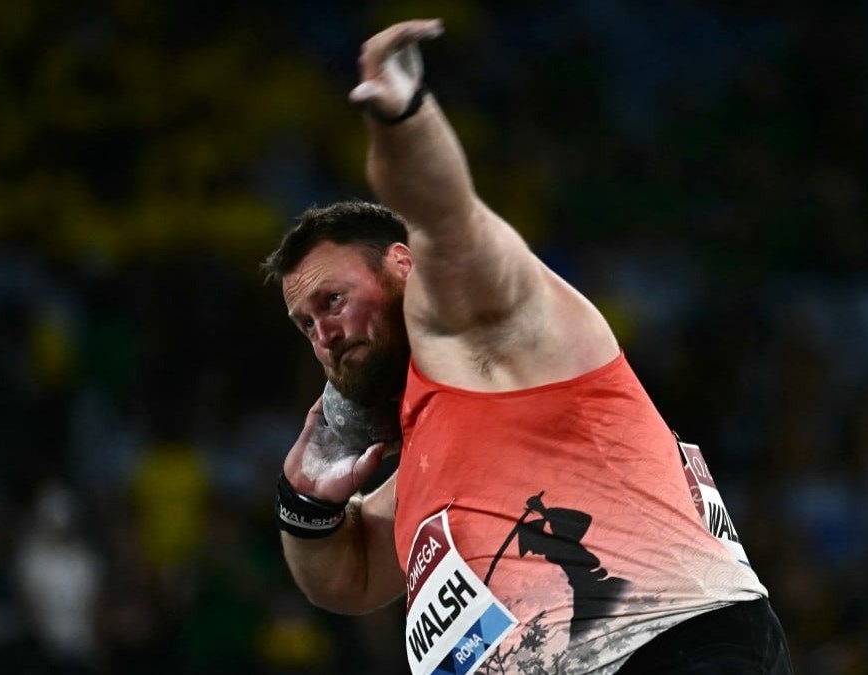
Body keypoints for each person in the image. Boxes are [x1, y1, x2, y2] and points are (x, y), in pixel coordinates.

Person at [265, 19, 792, 675]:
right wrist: (308, 506)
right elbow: (346, 579)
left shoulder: (477, 323)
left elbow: (446, 215)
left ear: (403, 265)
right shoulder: (438, 446)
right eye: (304, 323)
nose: (322, 332)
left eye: (332, 301)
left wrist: (403, 117)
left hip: (664, 649)